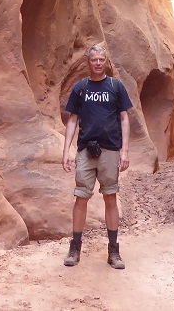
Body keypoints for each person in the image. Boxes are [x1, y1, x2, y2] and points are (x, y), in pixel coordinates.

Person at [61, 44, 133, 269]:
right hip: (85, 151)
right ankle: (75, 248)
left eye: (102, 59)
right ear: (89, 62)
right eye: (94, 60)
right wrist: (67, 150)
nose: (98, 63)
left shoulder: (116, 86)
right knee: (81, 198)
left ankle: (113, 251)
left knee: (110, 197)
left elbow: (124, 118)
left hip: (110, 150)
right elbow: (73, 119)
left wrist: (125, 150)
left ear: (106, 61)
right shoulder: (81, 88)